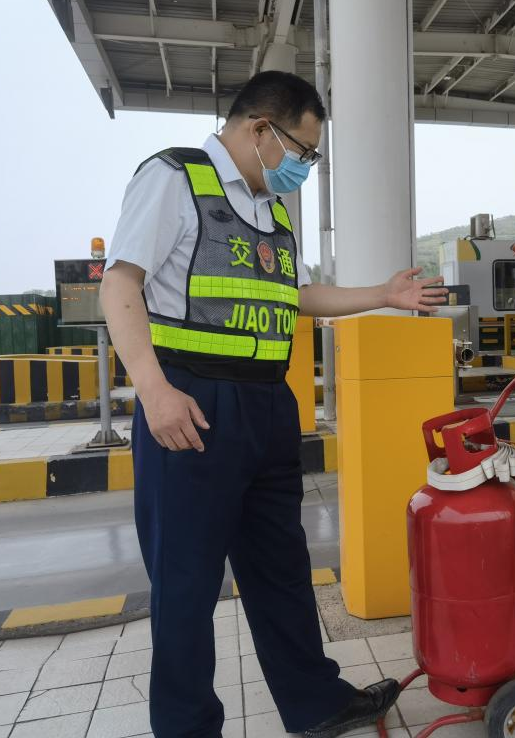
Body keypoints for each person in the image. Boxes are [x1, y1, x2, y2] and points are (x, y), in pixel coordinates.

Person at [101, 70, 447, 738]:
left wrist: (382, 295)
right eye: (302, 151)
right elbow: (121, 283)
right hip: (192, 402)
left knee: (281, 569)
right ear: (261, 129)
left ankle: (315, 702)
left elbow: (297, 297)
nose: (304, 167)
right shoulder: (175, 179)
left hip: (266, 404)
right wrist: (153, 391)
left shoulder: (272, 208)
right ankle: (186, 727)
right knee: (185, 584)